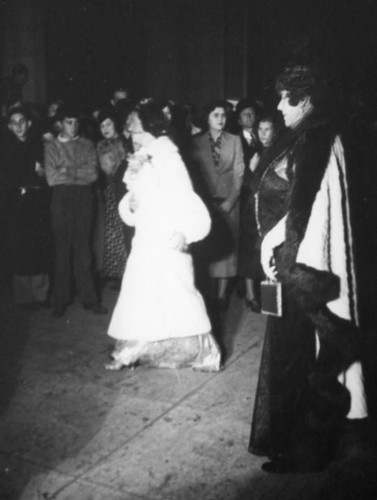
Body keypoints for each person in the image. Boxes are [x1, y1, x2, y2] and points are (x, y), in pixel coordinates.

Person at [249, 64, 370, 473]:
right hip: (287, 265)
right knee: (289, 355)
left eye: (287, 97)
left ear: (306, 97)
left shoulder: (317, 137)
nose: (280, 105)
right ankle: (291, 440)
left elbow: (305, 209)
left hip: (302, 269)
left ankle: (311, 446)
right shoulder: (302, 134)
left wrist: (281, 253)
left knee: (305, 356)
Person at [106, 99, 221, 372]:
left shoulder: (170, 159)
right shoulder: (140, 158)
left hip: (168, 239)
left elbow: (187, 199)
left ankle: (204, 355)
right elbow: (133, 198)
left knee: (177, 295)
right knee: (140, 294)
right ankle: (130, 351)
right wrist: (130, 205)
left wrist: (187, 231)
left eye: (133, 130)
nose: (129, 135)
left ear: (150, 129)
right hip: (145, 239)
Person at [44, 104, 107, 318]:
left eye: (76, 122)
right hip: (61, 200)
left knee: (84, 249)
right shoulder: (51, 146)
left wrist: (65, 169)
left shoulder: (88, 144)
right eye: (69, 122)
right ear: (59, 124)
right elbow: (52, 179)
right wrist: (77, 172)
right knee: (62, 250)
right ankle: (60, 300)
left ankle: (89, 299)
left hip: (84, 200)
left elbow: (93, 175)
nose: (73, 126)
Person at [190, 101, 244, 311]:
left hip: (229, 202)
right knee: (206, 250)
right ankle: (207, 295)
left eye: (223, 115)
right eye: (215, 115)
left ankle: (222, 297)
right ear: (207, 118)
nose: (221, 118)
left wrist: (231, 201)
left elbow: (239, 174)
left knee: (227, 253)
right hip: (205, 205)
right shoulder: (195, 142)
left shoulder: (235, 140)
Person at [0, 106, 52, 308]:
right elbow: (9, 177)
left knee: (39, 245)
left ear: (29, 123)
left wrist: (33, 176)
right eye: (14, 123)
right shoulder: (5, 148)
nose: (18, 126)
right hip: (15, 204)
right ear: (9, 126)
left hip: (38, 202)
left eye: (22, 121)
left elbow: (44, 173)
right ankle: (23, 297)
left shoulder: (39, 144)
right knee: (19, 247)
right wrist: (30, 175)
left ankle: (40, 294)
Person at [96, 108, 128, 285]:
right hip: (107, 191)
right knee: (108, 231)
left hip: (123, 188)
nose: (105, 128)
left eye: (108, 123)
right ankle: (111, 271)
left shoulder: (124, 142)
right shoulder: (100, 145)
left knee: (122, 230)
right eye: (101, 125)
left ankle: (123, 272)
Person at [235, 98, 261, 311]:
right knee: (245, 244)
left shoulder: (263, 137)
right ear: (238, 118)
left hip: (261, 198)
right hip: (243, 198)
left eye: (252, 114)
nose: (249, 118)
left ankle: (252, 287)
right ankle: (247, 289)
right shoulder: (236, 141)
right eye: (245, 114)